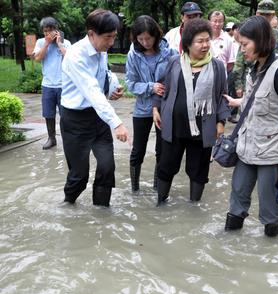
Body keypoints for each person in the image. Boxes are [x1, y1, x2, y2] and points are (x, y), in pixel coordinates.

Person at [223, 16, 278, 237]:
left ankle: (270, 250)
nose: (242, 50)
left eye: (245, 44)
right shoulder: (254, 67)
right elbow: (257, 100)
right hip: (246, 149)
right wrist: (237, 102)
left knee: (269, 206)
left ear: (261, 40)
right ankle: (228, 244)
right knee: (237, 195)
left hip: (271, 152)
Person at [153, 18, 231, 204]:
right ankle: (160, 203)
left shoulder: (217, 66)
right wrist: (156, 108)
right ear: (188, 44)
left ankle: (194, 207)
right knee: (166, 166)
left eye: (207, 40)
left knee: (198, 170)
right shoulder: (174, 62)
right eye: (200, 41)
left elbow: (222, 97)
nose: (205, 45)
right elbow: (161, 87)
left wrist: (221, 122)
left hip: (203, 129)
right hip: (174, 126)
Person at [60, 9, 129, 207]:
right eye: (108, 37)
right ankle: (67, 206)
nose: (111, 42)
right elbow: (91, 90)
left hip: (97, 117)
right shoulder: (75, 55)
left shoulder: (101, 51)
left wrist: (112, 90)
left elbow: (103, 76)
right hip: (75, 120)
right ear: (91, 34)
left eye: (114, 37)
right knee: (79, 176)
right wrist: (117, 123)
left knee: (107, 167)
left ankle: (101, 211)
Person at [125, 15, 176, 192]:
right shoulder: (134, 54)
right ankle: (134, 189)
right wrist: (150, 87)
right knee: (138, 150)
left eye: (148, 38)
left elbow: (176, 79)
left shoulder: (170, 53)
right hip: (142, 108)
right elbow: (130, 84)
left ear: (156, 34)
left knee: (162, 150)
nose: (145, 42)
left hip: (164, 108)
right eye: (140, 39)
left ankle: (157, 188)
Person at [33, 17, 71, 150]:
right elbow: (37, 58)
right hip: (47, 85)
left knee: (65, 114)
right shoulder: (40, 42)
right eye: (45, 31)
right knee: (48, 114)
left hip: (63, 85)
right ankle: (51, 138)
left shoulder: (66, 42)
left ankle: (67, 139)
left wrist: (59, 43)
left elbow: (70, 59)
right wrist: (47, 44)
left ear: (57, 29)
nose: (48, 34)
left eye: (51, 30)